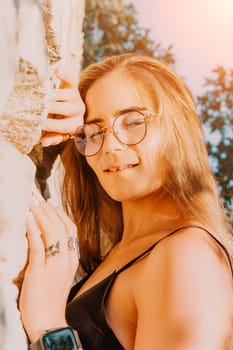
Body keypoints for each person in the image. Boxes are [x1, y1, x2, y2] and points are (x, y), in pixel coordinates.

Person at [19, 53, 233, 350]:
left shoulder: (189, 254)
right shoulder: (118, 254)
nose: (110, 146)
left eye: (133, 122)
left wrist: (50, 330)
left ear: (178, 129)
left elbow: (50, 328)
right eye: (94, 131)